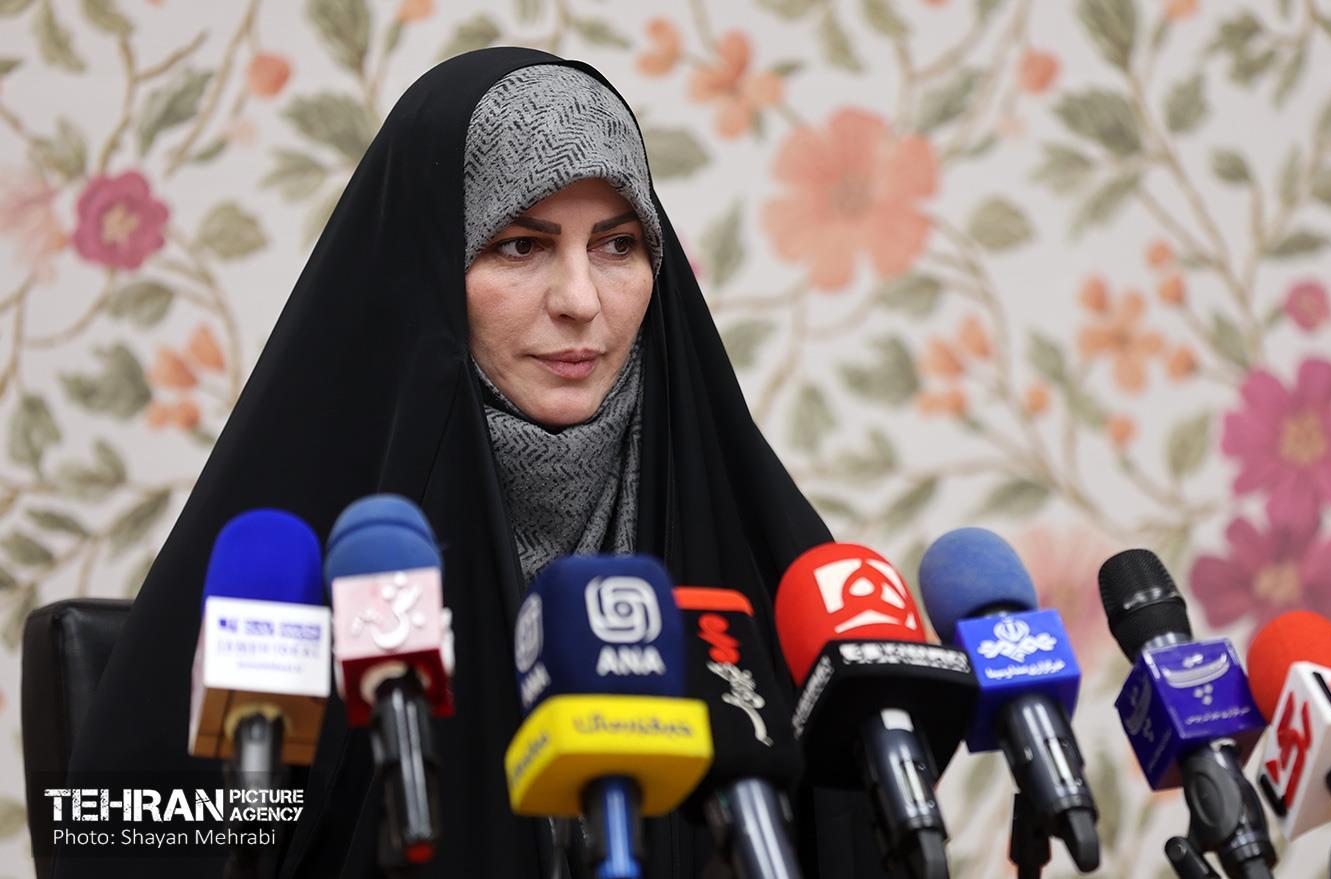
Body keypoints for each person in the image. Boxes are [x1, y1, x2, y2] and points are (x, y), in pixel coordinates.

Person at [57, 48, 888, 877]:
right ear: (426, 270)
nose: (580, 300)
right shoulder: (289, 567)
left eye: (617, 244)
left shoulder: (759, 551)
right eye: (520, 246)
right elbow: (121, 840)